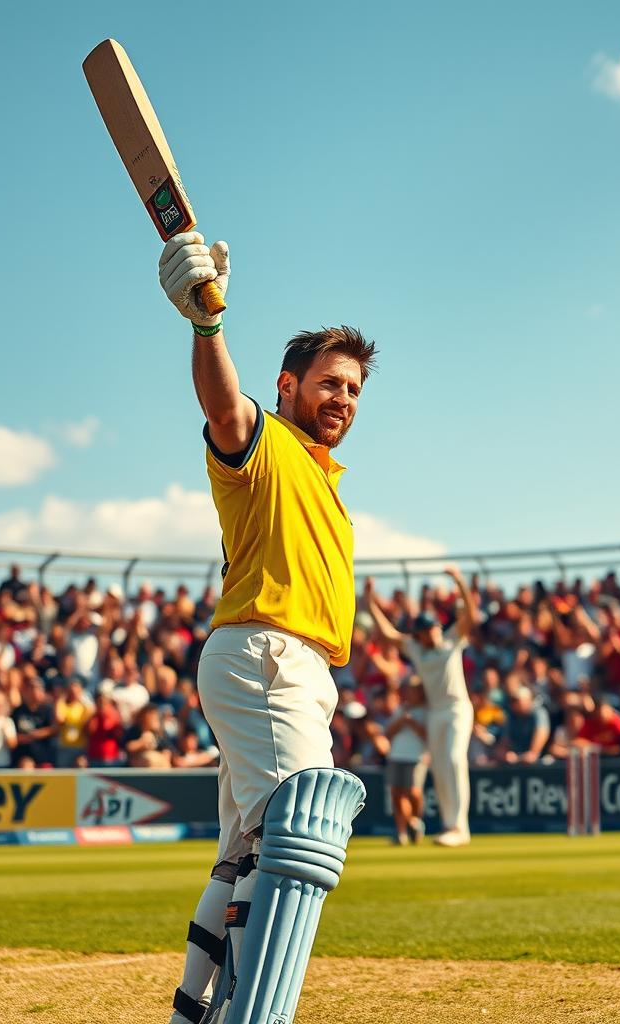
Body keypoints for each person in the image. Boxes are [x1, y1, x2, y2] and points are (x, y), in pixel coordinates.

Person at [159, 229, 375, 1024]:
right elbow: (222, 406)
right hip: (268, 653)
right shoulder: (267, 444)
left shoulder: (322, 476)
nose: (343, 399)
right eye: (329, 383)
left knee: (251, 851)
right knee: (299, 838)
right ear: (288, 385)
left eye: (353, 389)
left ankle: (199, 1013)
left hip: (279, 661)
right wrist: (207, 324)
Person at [365, 565, 478, 847]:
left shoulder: (452, 640)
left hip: (457, 708)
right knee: (440, 768)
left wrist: (460, 581)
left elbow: (471, 616)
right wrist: (370, 602)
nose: (431, 634)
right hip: (435, 712)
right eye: (425, 631)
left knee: (453, 759)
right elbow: (388, 633)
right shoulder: (416, 648)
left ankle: (459, 827)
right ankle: (450, 826)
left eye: (432, 628)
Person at [383, 678, 428, 845]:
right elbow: (388, 733)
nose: (410, 693)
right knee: (397, 794)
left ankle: (415, 822)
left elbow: (427, 735)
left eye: (414, 690)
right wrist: (402, 720)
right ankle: (401, 832)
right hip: (396, 756)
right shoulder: (401, 709)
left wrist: (412, 722)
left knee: (413, 792)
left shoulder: (426, 711)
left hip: (416, 757)